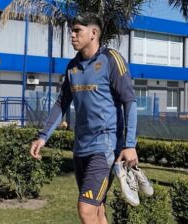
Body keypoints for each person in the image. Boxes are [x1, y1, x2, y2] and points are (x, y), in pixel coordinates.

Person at [30, 13, 138, 224]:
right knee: (97, 210)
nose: (72, 35)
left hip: (105, 147)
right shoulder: (72, 66)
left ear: (94, 33)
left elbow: (129, 101)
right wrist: (43, 137)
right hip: (81, 148)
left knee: (86, 209)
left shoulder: (111, 60)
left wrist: (130, 144)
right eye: (72, 30)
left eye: (77, 30)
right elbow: (62, 103)